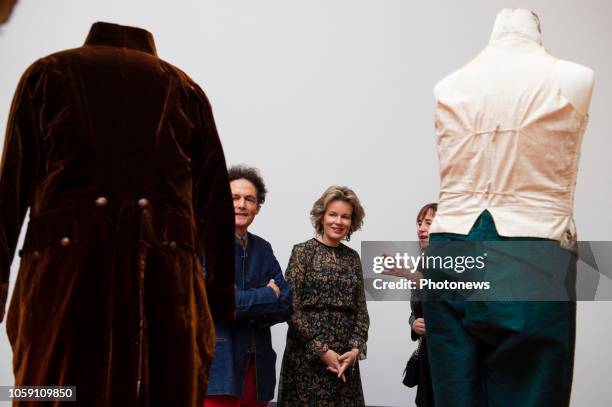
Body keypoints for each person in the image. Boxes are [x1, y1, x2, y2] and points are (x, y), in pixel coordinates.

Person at [0, 22, 235, 406]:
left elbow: (9, 189)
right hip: (167, 286)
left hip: (61, 285)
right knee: (164, 390)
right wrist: (221, 295)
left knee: (48, 388)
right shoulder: (185, 89)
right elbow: (216, 205)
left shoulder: (47, 74)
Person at [205, 165, 292, 407]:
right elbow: (221, 304)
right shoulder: (205, 245)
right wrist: (267, 294)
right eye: (234, 198)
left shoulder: (263, 248)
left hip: (258, 369)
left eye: (249, 199)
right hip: (221, 368)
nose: (241, 205)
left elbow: (285, 304)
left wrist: (245, 303)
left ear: (258, 207)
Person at [277, 185, 369, 407]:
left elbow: (361, 310)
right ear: (322, 216)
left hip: (344, 360)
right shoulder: (302, 252)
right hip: (306, 360)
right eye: (333, 214)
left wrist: (355, 350)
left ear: (352, 222)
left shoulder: (353, 258)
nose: (339, 221)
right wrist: (321, 350)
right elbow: (291, 306)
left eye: (345, 217)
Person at [408, 203, 437, 407]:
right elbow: (415, 311)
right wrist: (413, 324)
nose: (421, 228)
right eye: (419, 223)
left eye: (428, 222)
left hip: (450, 358)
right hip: (427, 356)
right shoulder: (423, 262)